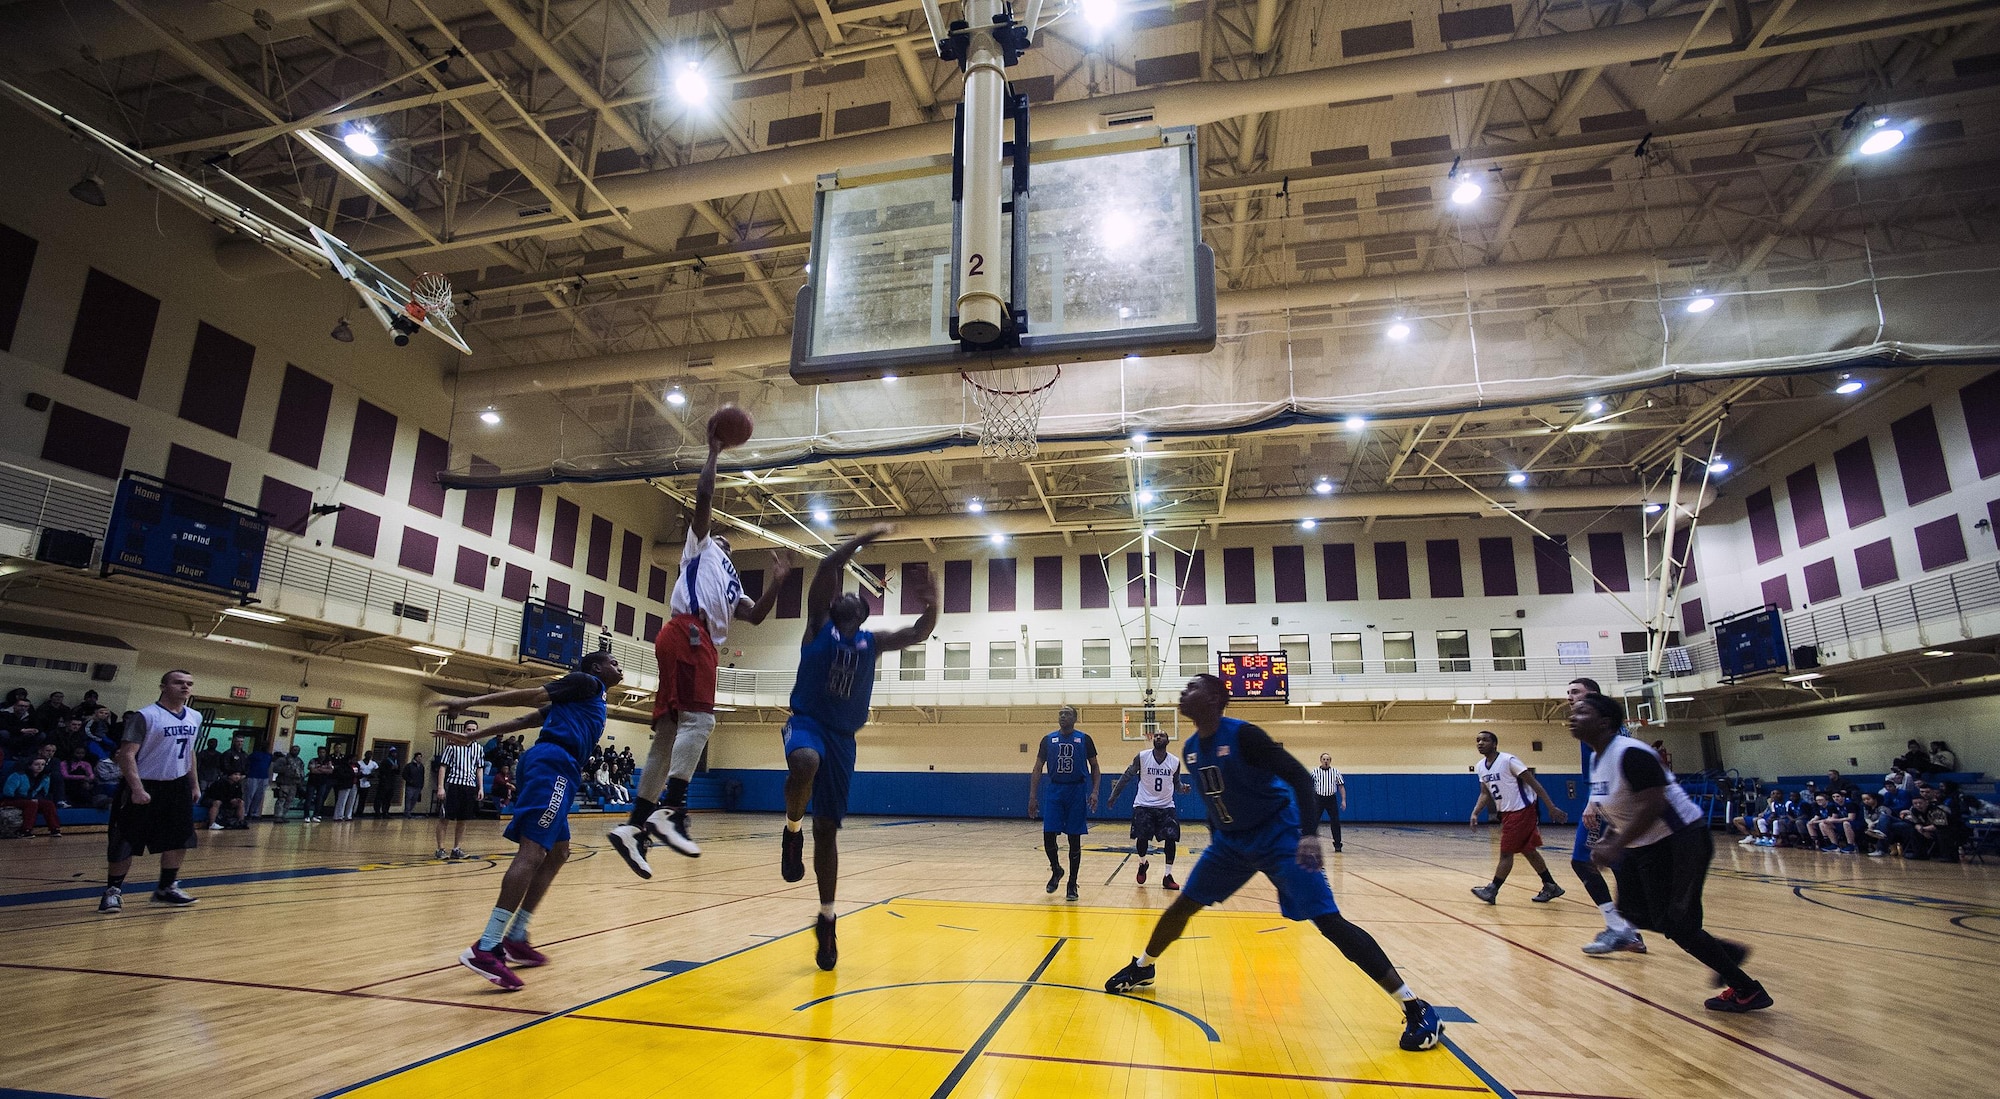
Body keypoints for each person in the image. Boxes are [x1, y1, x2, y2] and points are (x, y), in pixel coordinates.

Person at [1104, 675, 1443, 1052]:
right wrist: (1219, 845)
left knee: (1328, 921)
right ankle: (1144, 965)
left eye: (1194, 686)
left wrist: (1310, 835)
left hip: (1280, 833)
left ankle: (1415, 1006)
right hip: (1233, 843)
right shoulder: (1191, 750)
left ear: (1216, 698)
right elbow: (1216, 800)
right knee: (1184, 904)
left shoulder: (1245, 737)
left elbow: (1300, 777)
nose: (1185, 691)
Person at [608, 423, 792, 877]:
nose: (724, 537)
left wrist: (778, 582)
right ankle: (672, 810)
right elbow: (705, 501)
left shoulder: (733, 583)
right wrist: (713, 453)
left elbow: (758, 616)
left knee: (667, 737)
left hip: (690, 638)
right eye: (721, 535)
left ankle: (634, 827)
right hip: (690, 633)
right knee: (702, 720)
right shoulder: (701, 548)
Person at [779, 525, 937, 970]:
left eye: (854, 595)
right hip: (807, 722)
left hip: (844, 739)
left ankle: (827, 919)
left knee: (827, 832)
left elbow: (920, 632)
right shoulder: (817, 626)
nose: (845, 594)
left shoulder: (873, 642)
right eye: (840, 593)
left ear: (864, 613)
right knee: (805, 760)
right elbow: (829, 564)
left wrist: (934, 601)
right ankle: (791, 831)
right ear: (833, 606)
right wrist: (865, 537)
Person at [435, 650, 625, 990]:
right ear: (596, 668)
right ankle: (488, 945)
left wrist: (473, 737)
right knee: (533, 852)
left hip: (561, 767)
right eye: (613, 661)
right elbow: (535, 695)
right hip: (552, 764)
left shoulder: (585, 698)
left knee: (558, 852)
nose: (619, 666)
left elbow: (526, 721)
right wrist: (471, 702)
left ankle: (517, 936)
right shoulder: (585, 682)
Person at [1571, 692, 1770, 1012]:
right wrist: (1609, 838)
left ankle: (1746, 988)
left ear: (1604, 722)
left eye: (1581, 711)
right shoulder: (1598, 758)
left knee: (1678, 924)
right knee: (1639, 914)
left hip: (1681, 841)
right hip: (1647, 846)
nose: (1572, 715)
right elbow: (1623, 806)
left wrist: (1615, 846)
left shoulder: (1630, 753)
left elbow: (1655, 803)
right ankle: (1725, 952)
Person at [100, 670, 204, 912]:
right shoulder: (146, 716)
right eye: (179, 683)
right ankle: (112, 891)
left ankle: (166, 888)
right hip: (145, 784)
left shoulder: (194, 717)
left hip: (176, 785)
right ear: (163, 686)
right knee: (125, 839)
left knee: (180, 838)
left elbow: (190, 752)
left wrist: (194, 784)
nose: (185, 687)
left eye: (189, 684)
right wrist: (136, 788)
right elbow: (127, 755)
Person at [1562, 678, 1646, 956]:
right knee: (1615, 865)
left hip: (1609, 804)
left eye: (1575, 692)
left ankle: (1622, 929)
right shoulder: (1602, 727)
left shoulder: (1596, 727)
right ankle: (1626, 930)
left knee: (1584, 862)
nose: (1570, 697)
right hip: (1612, 802)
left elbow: (1607, 771)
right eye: (1568, 693)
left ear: (1593, 696)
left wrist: (1593, 804)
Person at [1468, 729, 1568, 904]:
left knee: (1506, 853)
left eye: (1484, 740)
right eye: (1478, 740)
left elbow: (1534, 783)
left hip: (1521, 810)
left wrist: (1551, 807)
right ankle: (1551, 885)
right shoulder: (1480, 766)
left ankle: (1492, 890)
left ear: (1495, 744)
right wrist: (1475, 812)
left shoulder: (1508, 760)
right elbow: (1485, 793)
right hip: (1506, 813)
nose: (1480, 743)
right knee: (1528, 850)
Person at [1027, 705, 1100, 901]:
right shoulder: (1048, 740)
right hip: (1054, 790)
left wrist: (1094, 791)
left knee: (1074, 839)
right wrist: (1032, 796)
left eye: (1067, 713)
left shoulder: (1084, 739)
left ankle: (1072, 883)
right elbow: (1037, 767)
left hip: (1076, 791)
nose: (1063, 716)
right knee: (1048, 836)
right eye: (1060, 713)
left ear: (1075, 718)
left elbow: (1094, 766)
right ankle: (1056, 869)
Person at [1107, 729, 1189, 890]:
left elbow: (1176, 784)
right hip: (1144, 805)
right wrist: (1114, 795)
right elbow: (1127, 776)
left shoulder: (1174, 761)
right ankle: (1143, 863)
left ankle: (1167, 875)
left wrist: (1183, 788)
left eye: (1162, 735)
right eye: (1156, 735)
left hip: (1166, 806)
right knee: (1142, 839)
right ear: (1153, 739)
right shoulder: (1143, 757)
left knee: (1171, 839)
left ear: (1168, 740)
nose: (1158, 737)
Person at [435, 722, 486, 860]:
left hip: (469, 786)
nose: (470, 732)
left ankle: (456, 848)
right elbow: (443, 767)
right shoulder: (452, 747)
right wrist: (440, 787)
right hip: (453, 785)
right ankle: (440, 849)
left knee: (463, 819)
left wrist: (480, 787)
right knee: (445, 818)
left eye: (473, 730)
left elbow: (479, 769)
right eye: (468, 729)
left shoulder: (478, 749)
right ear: (463, 730)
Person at [2, 756, 62, 836]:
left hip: (31, 800)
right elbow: (8, 792)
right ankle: (25, 830)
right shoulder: (17, 775)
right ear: (29, 765)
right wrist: (29, 799)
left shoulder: (45, 777)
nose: (40, 767)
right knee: (31, 804)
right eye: (37, 764)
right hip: (11, 800)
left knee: (48, 804)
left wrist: (36, 799)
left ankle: (55, 829)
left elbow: (43, 793)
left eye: (43, 764)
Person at [1310, 752, 1346, 853]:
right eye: (1324, 759)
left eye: (1328, 759)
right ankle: (1311, 844)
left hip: (1331, 799)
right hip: (1319, 799)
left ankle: (1338, 844)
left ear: (1330, 761)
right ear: (1321, 760)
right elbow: (1309, 786)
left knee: (1335, 821)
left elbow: (1341, 786)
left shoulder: (1336, 772)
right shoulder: (1314, 772)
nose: (1326, 761)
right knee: (1314, 821)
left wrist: (1343, 800)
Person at [271, 745, 304, 822]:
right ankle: (278, 816)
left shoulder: (299, 761)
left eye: (297, 750)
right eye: (294, 750)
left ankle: (283, 815)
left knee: (289, 800)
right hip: (284, 782)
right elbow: (275, 769)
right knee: (282, 799)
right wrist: (286, 769)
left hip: (294, 784)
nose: (296, 751)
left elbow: (301, 771)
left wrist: (300, 781)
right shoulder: (283, 759)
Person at [305, 748, 333, 822]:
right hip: (312, 782)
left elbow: (330, 771)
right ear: (318, 753)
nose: (322, 753)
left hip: (322, 783)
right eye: (320, 752)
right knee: (309, 799)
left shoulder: (328, 761)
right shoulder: (313, 760)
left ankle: (315, 815)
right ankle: (306, 815)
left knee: (320, 799)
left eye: (323, 752)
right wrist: (324, 770)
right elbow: (312, 770)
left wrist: (319, 769)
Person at [331, 751, 359, 820]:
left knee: (351, 801)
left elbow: (358, 774)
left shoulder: (357, 766)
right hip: (345, 784)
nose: (355, 760)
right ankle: (338, 816)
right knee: (342, 800)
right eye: (354, 759)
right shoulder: (344, 765)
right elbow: (341, 774)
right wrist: (352, 774)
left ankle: (348, 815)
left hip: (354, 784)